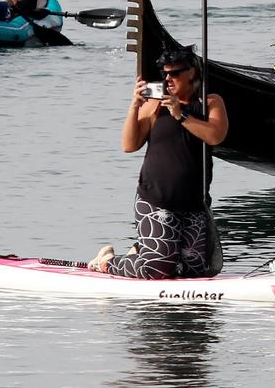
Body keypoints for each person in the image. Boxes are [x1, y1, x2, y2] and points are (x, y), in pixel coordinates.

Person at [88, 46, 230, 279]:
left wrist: (180, 114)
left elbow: (215, 135)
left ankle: (142, 250)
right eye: (165, 74)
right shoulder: (155, 105)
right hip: (155, 200)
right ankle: (108, 262)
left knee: (194, 270)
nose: (168, 79)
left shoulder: (210, 103)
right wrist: (134, 105)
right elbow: (129, 145)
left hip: (193, 204)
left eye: (174, 73)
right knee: (158, 269)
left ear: (192, 73)